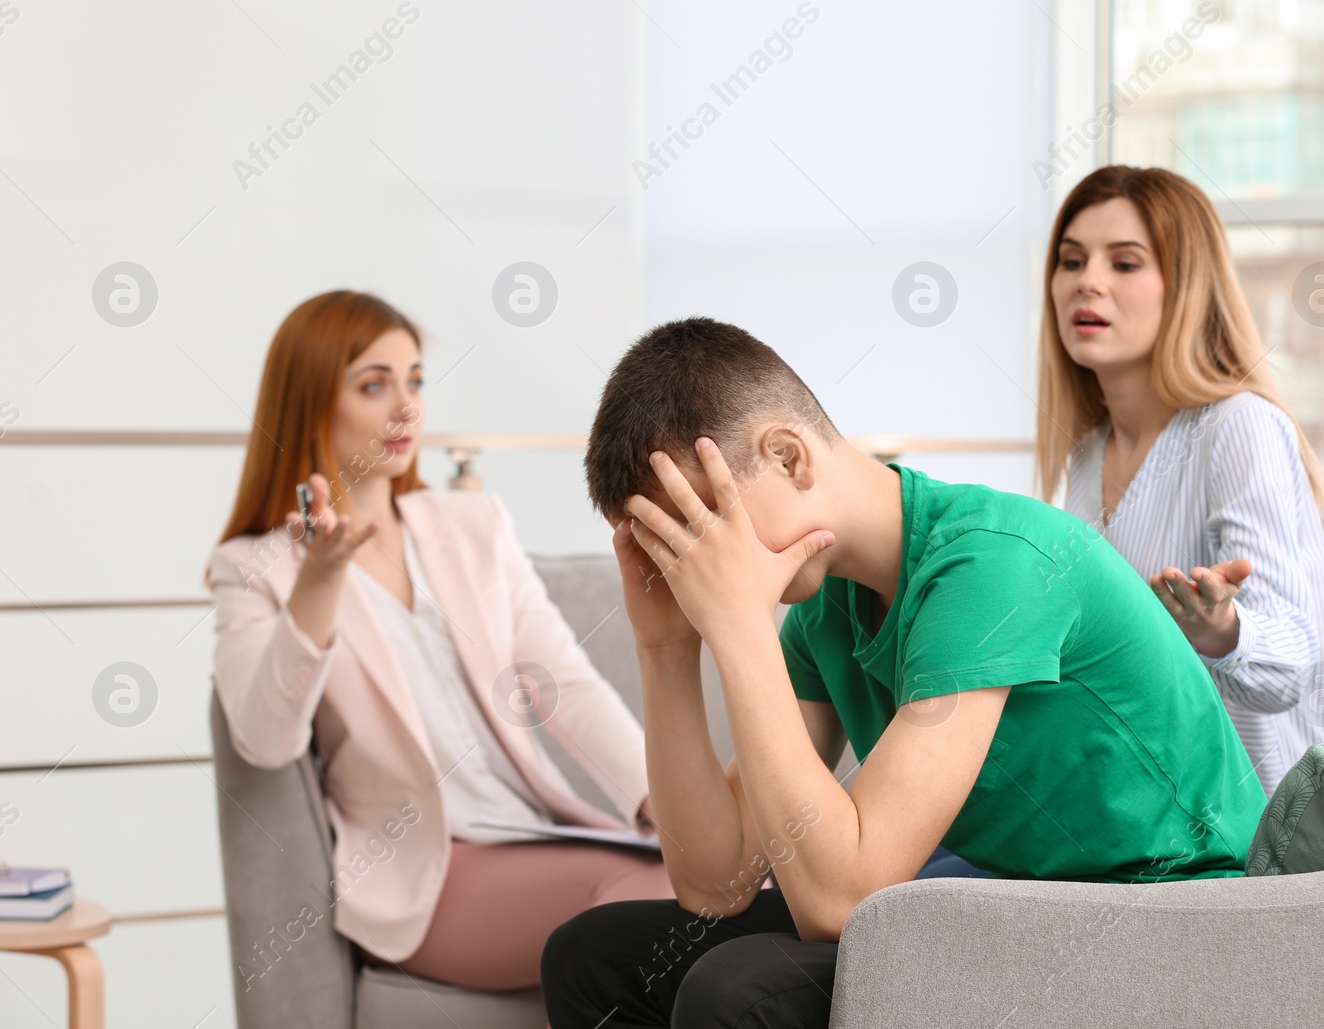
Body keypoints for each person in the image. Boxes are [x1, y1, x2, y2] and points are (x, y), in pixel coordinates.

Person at [540, 317, 1268, 1029]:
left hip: (1167, 923)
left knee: (742, 990)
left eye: (704, 522)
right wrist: (665, 650)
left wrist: (737, 624)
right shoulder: (826, 608)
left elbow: (841, 901)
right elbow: (715, 880)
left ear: (789, 458)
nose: (700, 561)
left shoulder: (991, 566)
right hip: (1021, 899)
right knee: (593, 956)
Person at [205, 290, 670, 991]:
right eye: (374, 384)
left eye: (415, 380)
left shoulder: (473, 523)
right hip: (429, 875)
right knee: (646, 903)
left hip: (531, 835)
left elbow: (563, 684)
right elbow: (266, 740)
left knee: (699, 880)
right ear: (309, 403)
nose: (406, 407)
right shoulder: (254, 567)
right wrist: (319, 584)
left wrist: (662, 800)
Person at [1037, 165, 1324, 794]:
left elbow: (1291, 663)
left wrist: (1222, 630)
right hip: (1153, 810)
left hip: (1266, 835)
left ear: (1184, 286)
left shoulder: (1239, 428)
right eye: (1071, 261)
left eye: (1124, 264)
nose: (1088, 283)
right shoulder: (1087, 456)